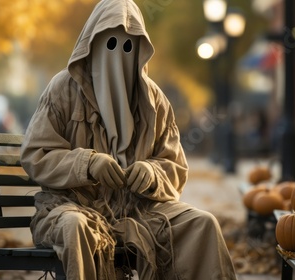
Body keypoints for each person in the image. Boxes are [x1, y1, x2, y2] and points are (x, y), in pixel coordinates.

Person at [20, 0, 237, 279]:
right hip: (71, 207)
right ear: (93, 43)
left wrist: (151, 173)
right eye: (110, 44)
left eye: (127, 47)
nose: (118, 55)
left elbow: (175, 167)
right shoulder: (63, 89)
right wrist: (87, 164)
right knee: (76, 227)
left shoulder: (154, 99)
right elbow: (36, 154)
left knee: (202, 223)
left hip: (139, 211)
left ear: (140, 51)